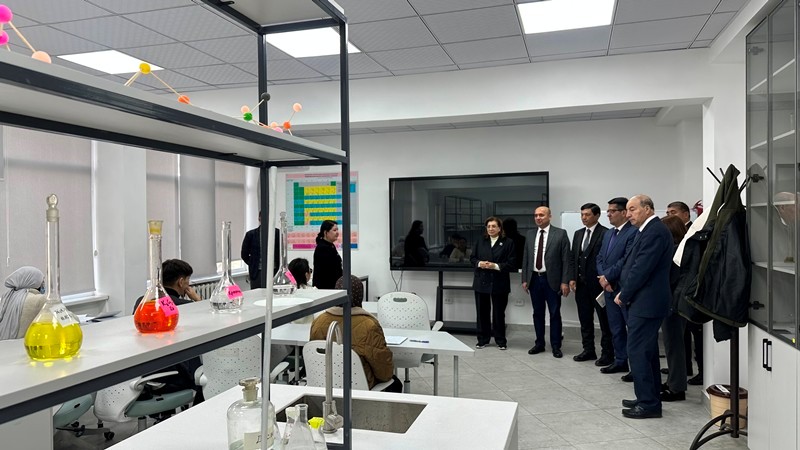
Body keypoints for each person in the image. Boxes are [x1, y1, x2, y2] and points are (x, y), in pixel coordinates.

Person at [615, 195, 673, 419]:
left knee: (638, 352)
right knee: (647, 353)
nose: (628, 214)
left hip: (647, 302)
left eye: (632, 209)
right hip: (644, 301)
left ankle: (648, 404)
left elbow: (641, 268)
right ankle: (648, 397)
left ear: (647, 209)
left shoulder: (655, 231)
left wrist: (624, 294)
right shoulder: (646, 230)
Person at [309, 275, 402, 392]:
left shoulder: (318, 322)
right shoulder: (369, 326)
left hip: (324, 385)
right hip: (359, 387)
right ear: (360, 296)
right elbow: (384, 372)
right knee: (396, 384)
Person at [133, 259, 204, 404]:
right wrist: (197, 299)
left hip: (143, 372)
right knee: (205, 376)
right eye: (188, 280)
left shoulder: (142, 301)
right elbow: (209, 315)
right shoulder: (183, 306)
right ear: (181, 282)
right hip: (172, 375)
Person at [521, 206, 571, 358]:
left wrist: (565, 281)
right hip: (534, 279)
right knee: (537, 313)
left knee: (554, 313)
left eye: (541, 215)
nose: (538, 218)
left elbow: (566, 260)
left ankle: (556, 345)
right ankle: (539, 343)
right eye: (536, 215)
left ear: (550, 216)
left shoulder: (560, 234)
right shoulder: (530, 234)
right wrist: (525, 279)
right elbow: (526, 257)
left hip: (553, 280)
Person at [596, 197, 637, 380]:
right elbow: (600, 258)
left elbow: (626, 260)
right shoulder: (608, 234)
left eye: (612, 211)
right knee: (616, 327)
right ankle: (620, 360)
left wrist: (607, 277)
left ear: (624, 212)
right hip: (608, 288)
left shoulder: (633, 232)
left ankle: (635, 367)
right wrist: (603, 277)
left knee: (631, 328)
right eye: (608, 211)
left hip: (623, 288)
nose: (609, 214)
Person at [569, 203, 612, 366]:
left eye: (587, 214)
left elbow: (606, 259)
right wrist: (572, 278)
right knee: (585, 319)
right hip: (581, 285)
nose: (584, 218)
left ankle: (607, 353)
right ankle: (588, 350)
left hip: (599, 286)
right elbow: (574, 258)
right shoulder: (578, 233)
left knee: (604, 321)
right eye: (582, 215)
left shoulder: (605, 233)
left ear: (597, 215)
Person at [667, 200, 703, 386]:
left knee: (690, 337)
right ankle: (683, 370)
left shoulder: (692, 235)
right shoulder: (680, 240)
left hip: (682, 297)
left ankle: (698, 373)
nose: (669, 215)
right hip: (679, 298)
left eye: (673, 212)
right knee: (680, 339)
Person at [471, 217, 517, 350]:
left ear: (499, 228)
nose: (491, 229)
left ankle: (501, 341)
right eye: (488, 226)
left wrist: (495, 266)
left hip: (499, 282)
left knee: (498, 313)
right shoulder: (480, 241)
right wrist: (479, 263)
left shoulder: (508, 242)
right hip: (481, 281)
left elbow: (512, 263)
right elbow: (472, 258)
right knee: (482, 313)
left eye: (493, 226)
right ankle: (482, 340)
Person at [659, 214, 688, 402]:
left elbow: (670, 280)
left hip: (673, 304)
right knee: (673, 344)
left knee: (674, 345)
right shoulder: (681, 249)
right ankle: (672, 381)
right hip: (676, 303)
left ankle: (676, 388)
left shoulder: (675, 252)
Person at [0, 267, 45, 340]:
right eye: (42, 282)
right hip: (28, 344)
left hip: (4, 344)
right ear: (34, 281)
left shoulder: (7, 298)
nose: (43, 285)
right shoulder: (39, 299)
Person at [240, 211, 280, 289]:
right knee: (257, 292)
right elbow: (244, 254)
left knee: (274, 293)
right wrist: (253, 263)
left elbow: (280, 252)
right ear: (259, 218)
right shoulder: (251, 235)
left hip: (274, 271)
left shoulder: (277, 233)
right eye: (263, 217)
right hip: (257, 272)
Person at [312, 220, 343, 289]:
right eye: (334, 230)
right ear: (325, 232)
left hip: (332, 285)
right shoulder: (323, 248)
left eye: (337, 230)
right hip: (326, 287)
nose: (337, 233)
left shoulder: (330, 245)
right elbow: (330, 271)